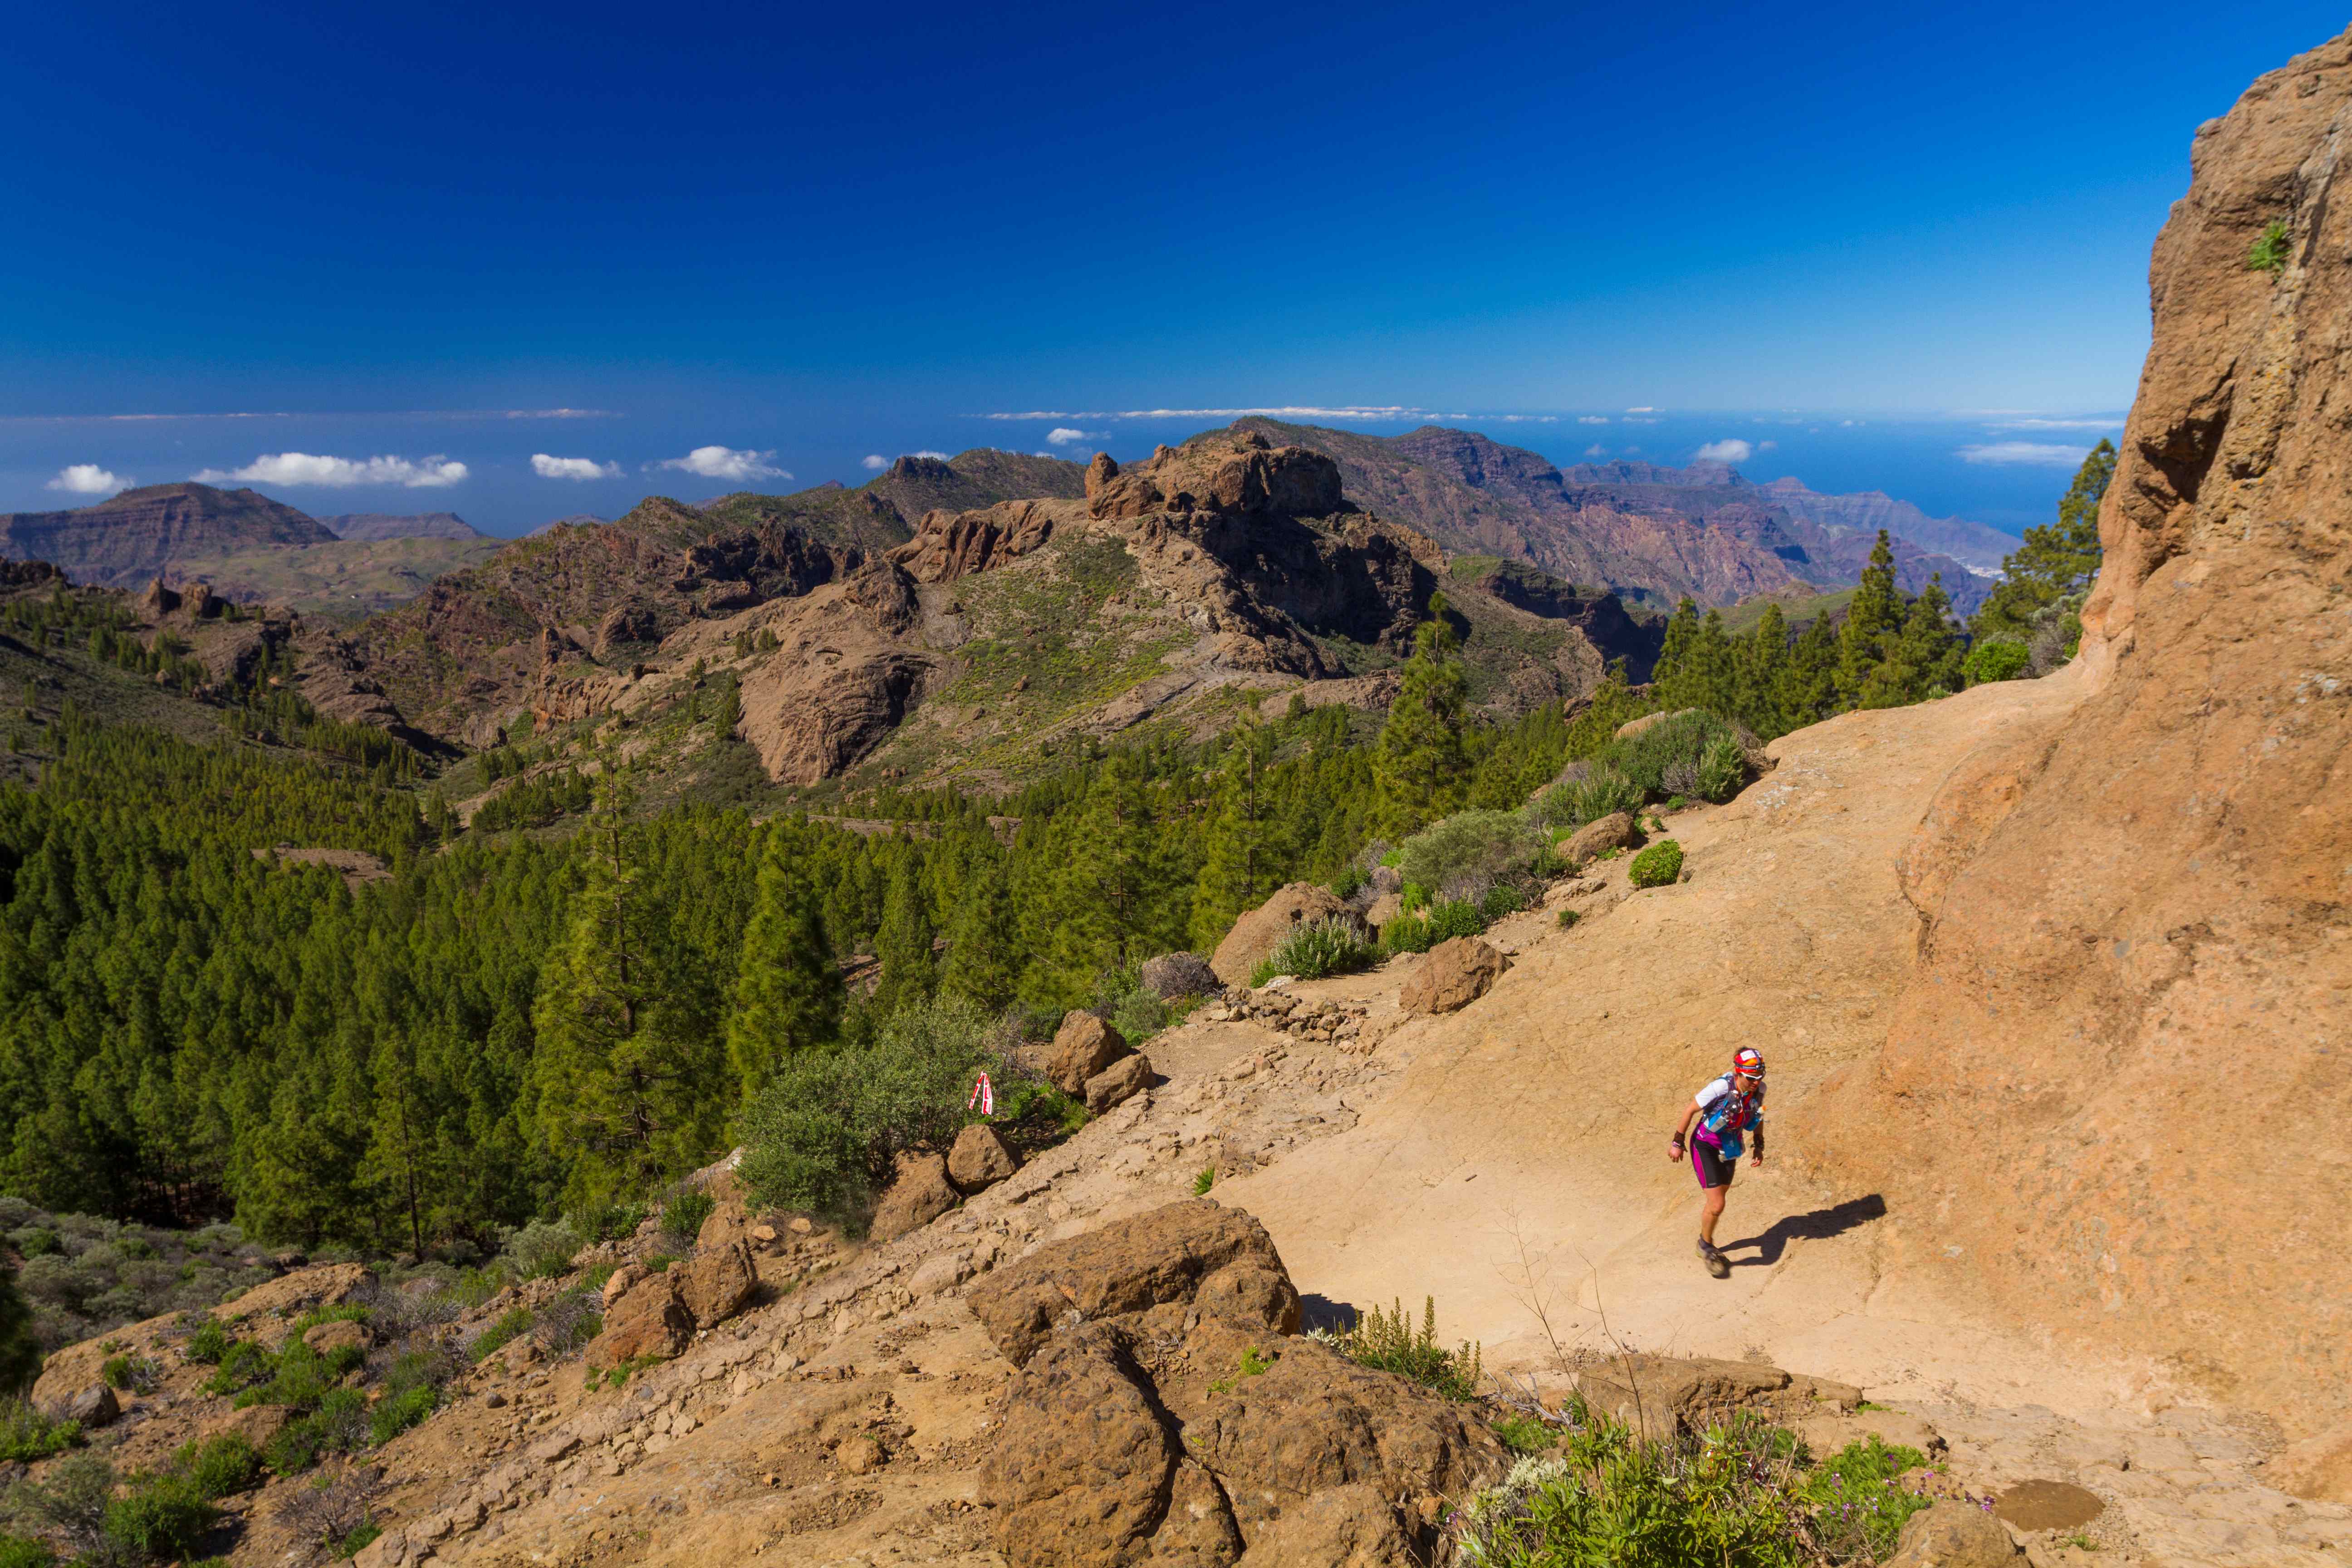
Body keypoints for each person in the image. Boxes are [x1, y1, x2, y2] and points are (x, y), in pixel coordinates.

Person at [1669, 1047, 1765, 1279]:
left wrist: (1759, 1144)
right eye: (1751, 1078)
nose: (1756, 1083)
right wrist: (1678, 1142)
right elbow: (1691, 1109)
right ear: (1738, 1072)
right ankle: (1706, 1246)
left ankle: (1704, 1239)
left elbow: (1757, 1115)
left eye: (1759, 1078)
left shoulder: (1759, 1090)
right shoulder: (1722, 1086)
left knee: (1718, 1198)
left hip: (1730, 1146)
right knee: (1717, 1204)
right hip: (1705, 1146)